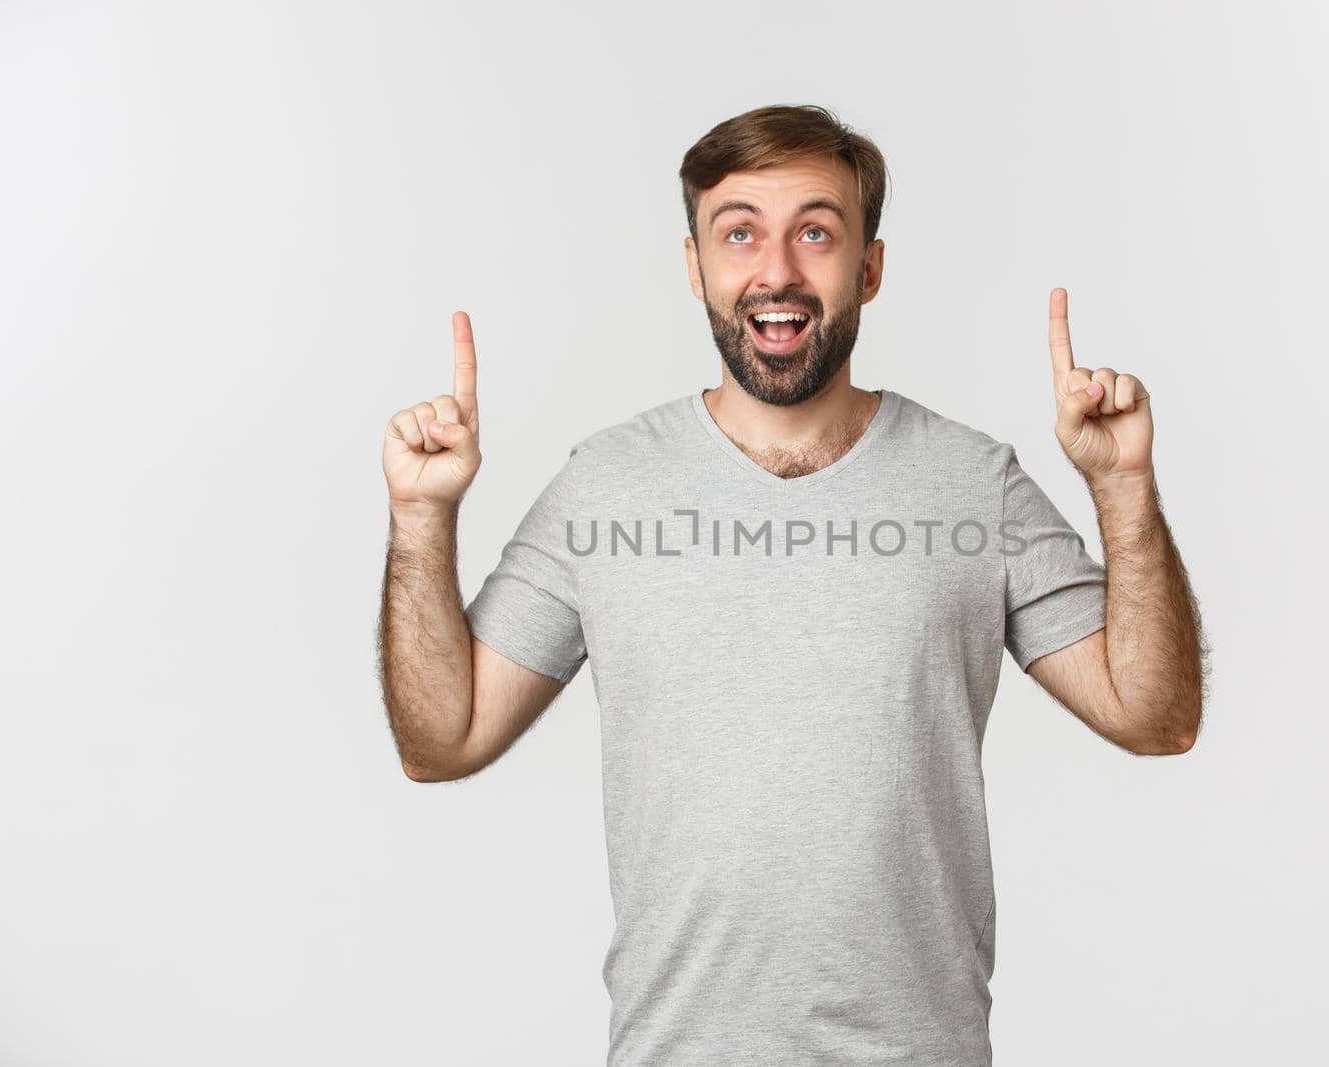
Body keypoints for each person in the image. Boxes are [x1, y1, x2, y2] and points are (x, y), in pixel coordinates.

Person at [378, 103, 1207, 1065]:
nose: (777, 271)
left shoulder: (973, 483)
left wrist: (1124, 488)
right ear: (695, 266)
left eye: (816, 231)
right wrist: (421, 519)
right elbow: (441, 741)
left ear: (870, 267)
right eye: (740, 234)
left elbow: (1158, 717)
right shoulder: (604, 487)